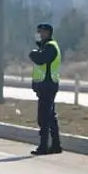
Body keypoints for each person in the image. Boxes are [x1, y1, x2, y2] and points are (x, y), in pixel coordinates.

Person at [29, 22, 62, 155]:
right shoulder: (45, 46)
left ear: (47, 33)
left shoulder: (50, 47)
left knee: (43, 117)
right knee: (50, 117)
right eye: (38, 32)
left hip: (48, 85)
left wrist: (33, 53)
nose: (39, 34)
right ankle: (56, 145)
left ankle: (43, 146)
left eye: (41, 32)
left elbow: (41, 60)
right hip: (46, 84)